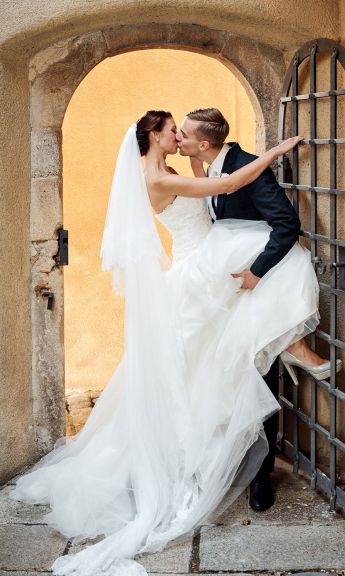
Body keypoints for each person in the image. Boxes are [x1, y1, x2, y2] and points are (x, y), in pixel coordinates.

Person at [10, 110, 318, 576]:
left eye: (184, 131)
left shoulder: (174, 169)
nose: (178, 136)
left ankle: (279, 363)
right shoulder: (157, 179)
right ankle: (195, 458)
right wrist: (273, 154)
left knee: (218, 364)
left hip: (211, 270)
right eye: (173, 130)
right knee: (197, 371)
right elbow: (224, 187)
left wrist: (212, 153)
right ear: (155, 135)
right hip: (198, 274)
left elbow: (217, 179)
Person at [175, 107, 339, 512]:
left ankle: (259, 476)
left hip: (251, 283)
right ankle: (220, 462)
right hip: (217, 286)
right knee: (217, 375)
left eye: (184, 133)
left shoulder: (246, 166)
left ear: (205, 142)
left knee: (254, 375)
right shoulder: (212, 163)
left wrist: (257, 273)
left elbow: (286, 224)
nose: (179, 138)